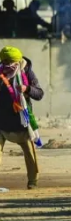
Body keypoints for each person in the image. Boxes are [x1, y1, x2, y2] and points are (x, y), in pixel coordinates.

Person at [0, 46, 44, 189]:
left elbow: (39, 94)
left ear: (18, 61)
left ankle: (33, 181)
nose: (8, 65)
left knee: (30, 154)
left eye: (11, 62)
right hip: (2, 122)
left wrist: (27, 89)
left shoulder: (27, 72)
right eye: (5, 61)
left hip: (22, 122)